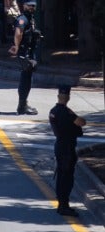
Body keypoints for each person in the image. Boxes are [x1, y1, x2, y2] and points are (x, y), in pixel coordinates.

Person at [49, 84, 84, 214]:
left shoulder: (53, 111)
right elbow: (81, 122)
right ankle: (63, 205)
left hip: (59, 145)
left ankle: (61, 202)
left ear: (58, 96)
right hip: (67, 147)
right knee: (67, 178)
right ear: (68, 97)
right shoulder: (66, 112)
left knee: (61, 175)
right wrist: (71, 112)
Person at [8, 0, 39, 114]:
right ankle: (22, 106)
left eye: (33, 5)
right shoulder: (23, 19)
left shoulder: (29, 18)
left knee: (27, 78)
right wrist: (16, 47)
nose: (32, 7)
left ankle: (23, 104)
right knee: (26, 79)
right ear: (24, 5)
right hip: (24, 52)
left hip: (29, 51)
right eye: (29, 5)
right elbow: (18, 33)